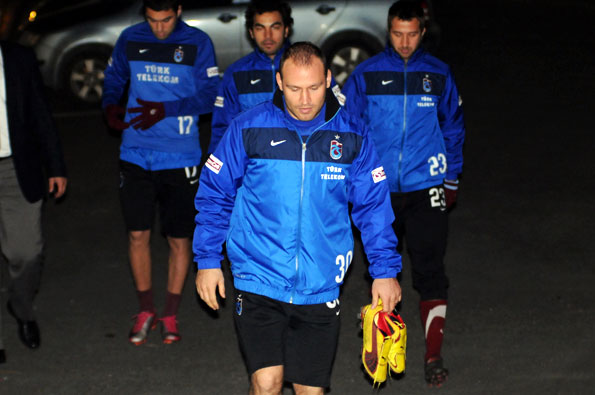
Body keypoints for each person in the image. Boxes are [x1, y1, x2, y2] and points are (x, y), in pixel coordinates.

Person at [194, 42, 402, 394]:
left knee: (311, 391)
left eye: (314, 87)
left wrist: (385, 271)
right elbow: (215, 192)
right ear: (278, 81)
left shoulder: (352, 135)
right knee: (266, 382)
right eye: (293, 88)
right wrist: (208, 259)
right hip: (257, 277)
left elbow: (373, 206)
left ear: (329, 79)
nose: (305, 100)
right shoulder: (249, 128)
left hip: (320, 283)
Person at [341, 0, 466, 387]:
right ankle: (382, 342)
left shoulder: (440, 74)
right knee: (381, 267)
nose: (405, 42)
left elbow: (454, 129)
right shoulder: (365, 75)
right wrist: (352, 181)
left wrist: (452, 179)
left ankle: (433, 353)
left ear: (423, 32)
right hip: (379, 190)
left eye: (412, 34)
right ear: (388, 31)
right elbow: (347, 129)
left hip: (426, 185)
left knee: (430, 270)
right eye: (398, 33)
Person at [102, 0, 218, 345]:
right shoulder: (130, 37)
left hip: (179, 155)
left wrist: (165, 109)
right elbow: (114, 76)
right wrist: (110, 105)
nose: (159, 28)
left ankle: (169, 313)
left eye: (165, 20)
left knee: (177, 239)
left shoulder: (198, 42)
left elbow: (210, 95)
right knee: (137, 235)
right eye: (152, 21)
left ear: (178, 10)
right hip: (135, 152)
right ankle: (145, 309)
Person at [0, 41, 67, 362]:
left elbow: (40, 112)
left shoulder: (18, 57)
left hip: (16, 168)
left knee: (25, 253)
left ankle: (22, 308)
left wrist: (55, 166)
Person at [209, 0, 343, 153]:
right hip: (254, 168)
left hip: (306, 163)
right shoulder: (236, 74)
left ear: (286, 30)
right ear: (251, 32)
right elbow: (222, 130)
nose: (268, 36)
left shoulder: (312, 67)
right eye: (260, 28)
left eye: (275, 27)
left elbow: (339, 117)